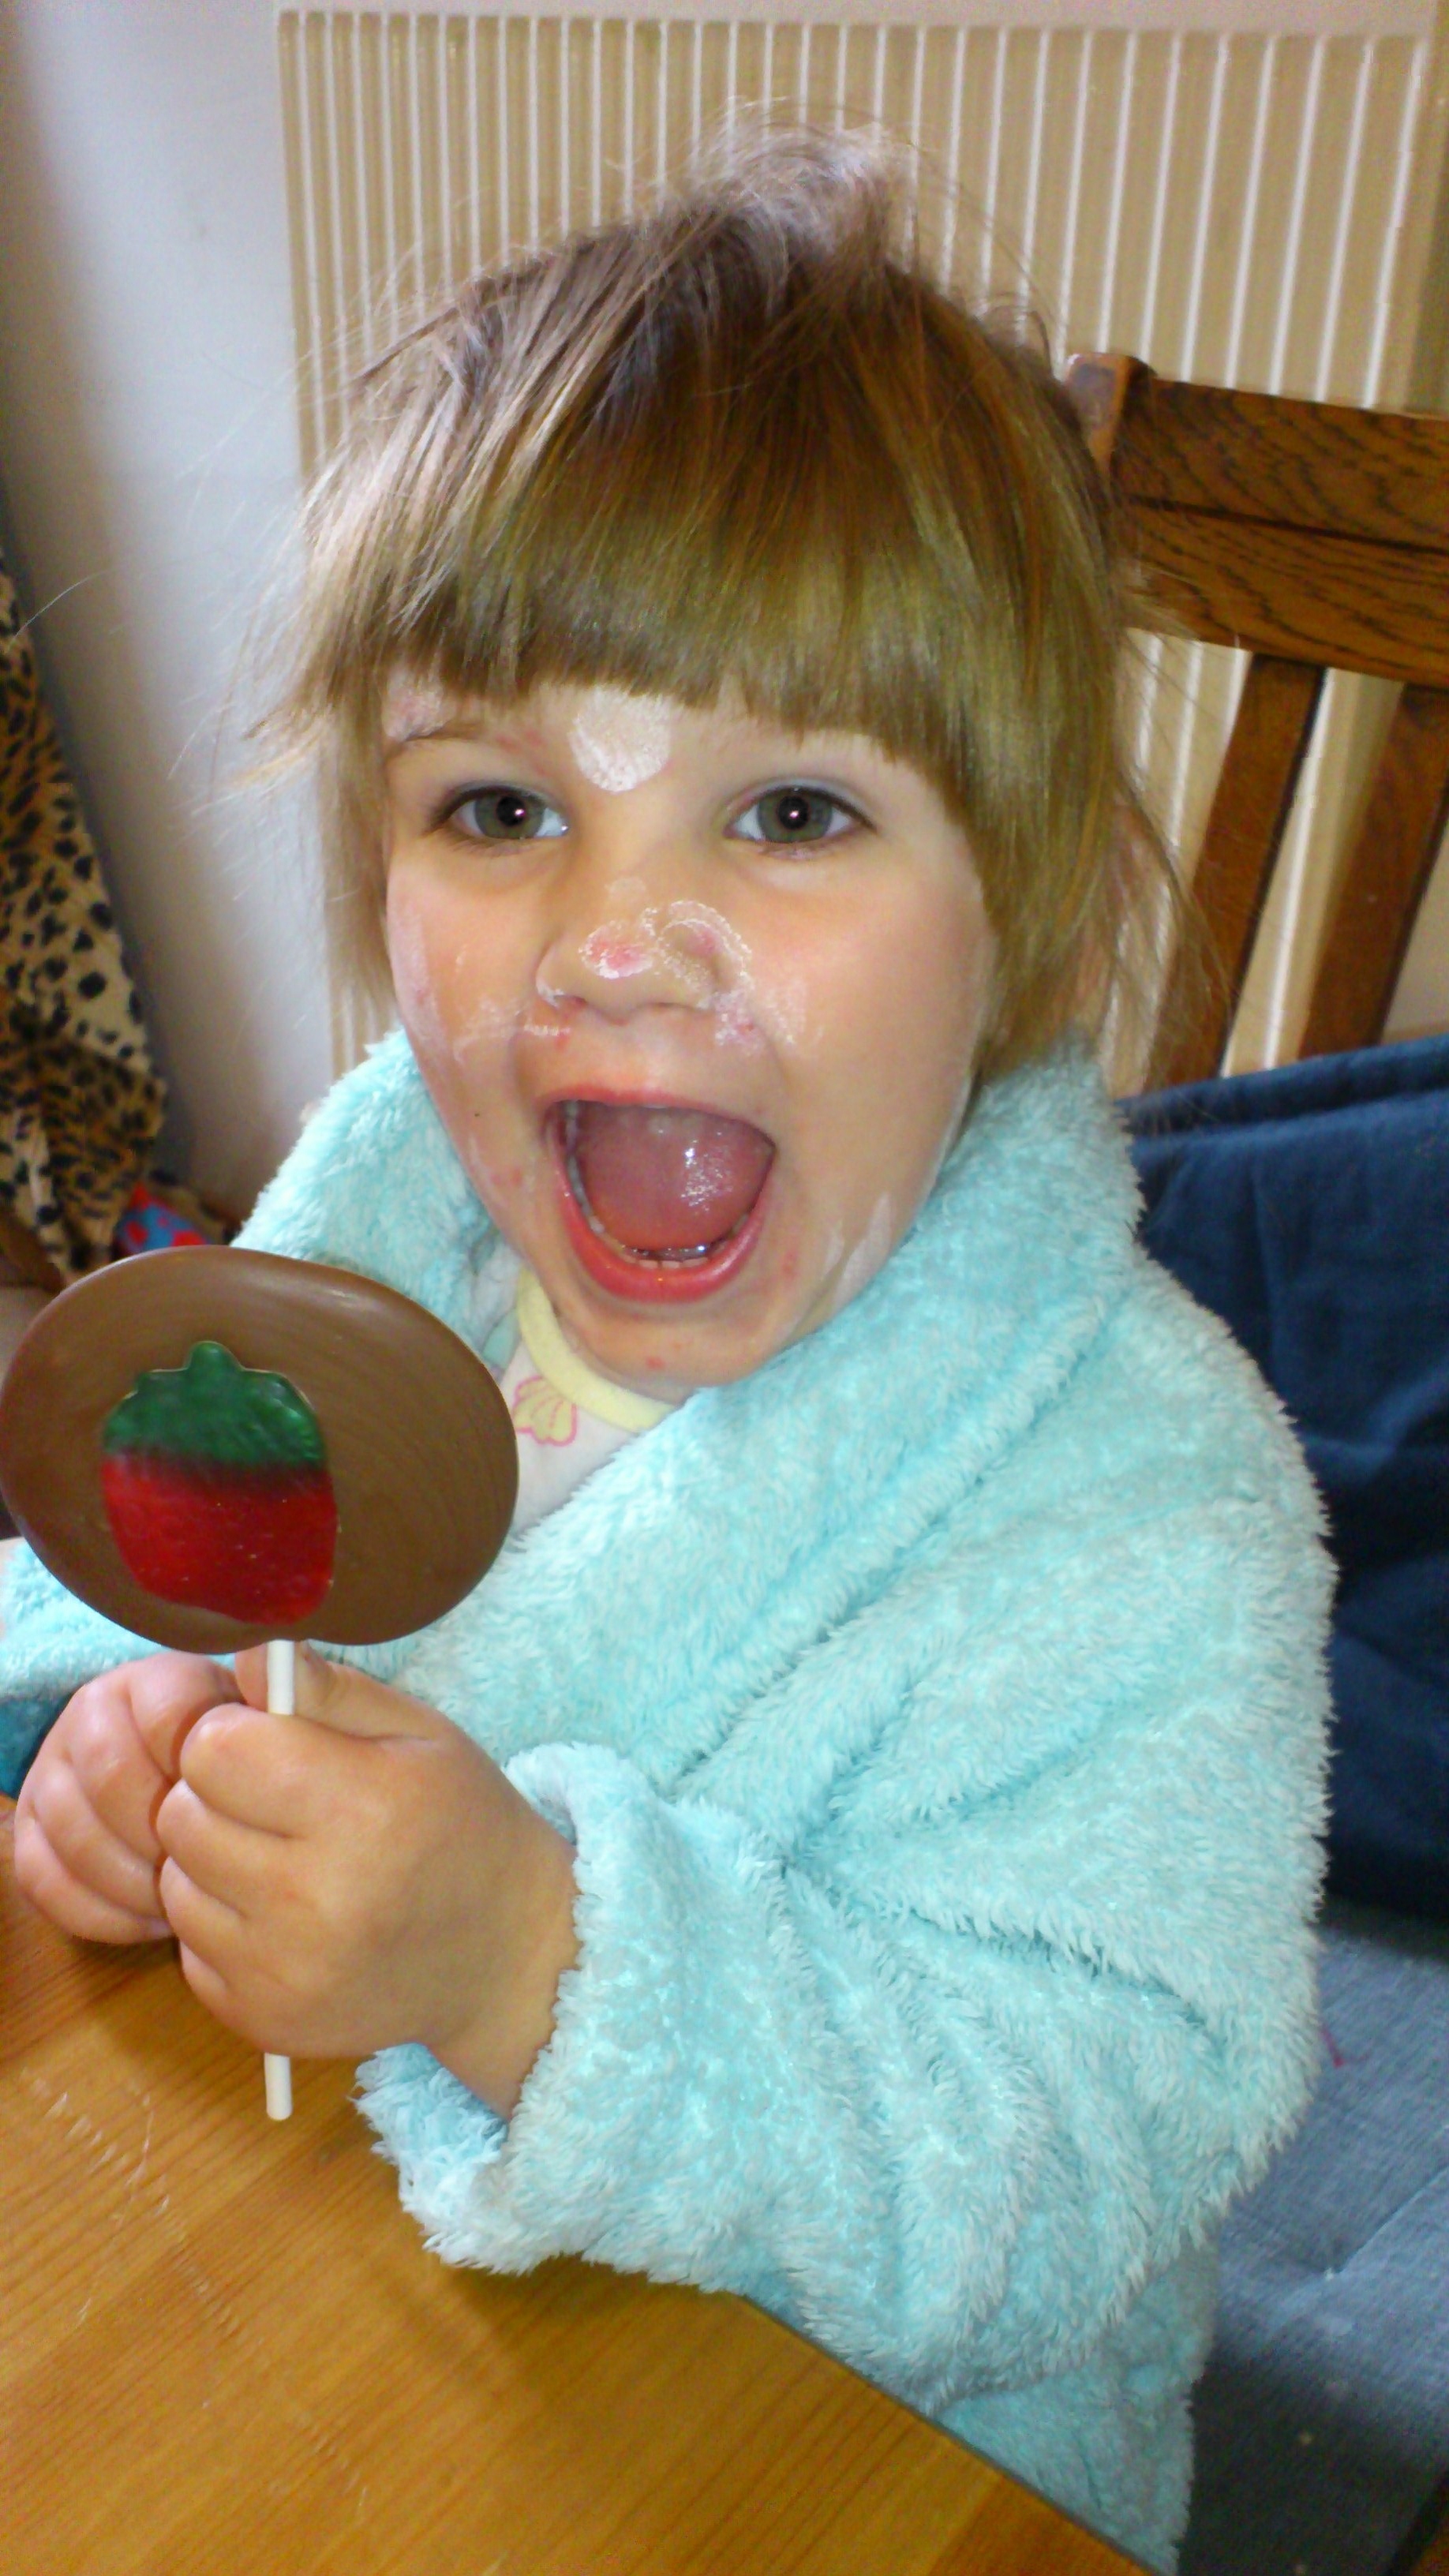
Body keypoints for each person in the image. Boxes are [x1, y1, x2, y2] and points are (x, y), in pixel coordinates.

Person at [0, 141, 1330, 2573]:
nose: (614, 942)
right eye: (500, 805)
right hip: (325, 2334)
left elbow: (1087, 2155)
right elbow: (154, 1586)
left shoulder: (1143, 1514)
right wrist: (124, 1752)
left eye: (790, 809)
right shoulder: (383, 1219)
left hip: (852, 2471)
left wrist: (542, 1960)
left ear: (1023, 909)